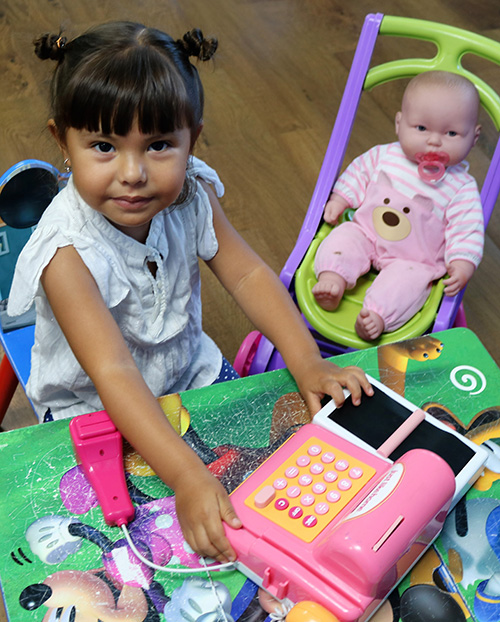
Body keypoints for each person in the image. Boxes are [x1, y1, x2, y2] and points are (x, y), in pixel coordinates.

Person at [7, 22, 372, 564]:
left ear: (191, 139)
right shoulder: (67, 254)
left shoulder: (193, 192)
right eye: (103, 146)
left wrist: (308, 361)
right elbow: (113, 373)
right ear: (63, 140)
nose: (132, 173)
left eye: (158, 146)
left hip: (191, 375)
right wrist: (185, 475)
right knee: (131, 552)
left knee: (278, 493)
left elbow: (247, 275)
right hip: (94, 412)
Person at [312, 70, 483, 341]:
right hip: (366, 234)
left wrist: (462, 264)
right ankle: (333, 278)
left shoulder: (461, 187)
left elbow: (468, 228)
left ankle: (376, 317)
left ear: (474, 138)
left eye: (451, 132)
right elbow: (358, 174)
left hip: (414, 260)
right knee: (344, 237)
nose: (434, 140)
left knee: (408, 283)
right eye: (422, 128)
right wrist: (340, 199)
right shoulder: (383, 155)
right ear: (399, 123)